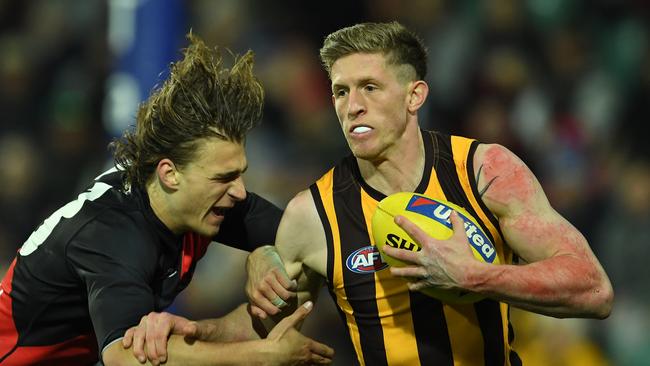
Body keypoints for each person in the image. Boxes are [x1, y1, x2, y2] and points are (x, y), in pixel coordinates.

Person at [128, 22, 614, 365]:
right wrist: (192, 331)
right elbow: (264, 324)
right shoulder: (312, 214)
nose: (352, 107)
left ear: (414, 96)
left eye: (369, 88)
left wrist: (478, 276)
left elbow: (593, 289)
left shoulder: (483, 171)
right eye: (340, 92)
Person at [0, 33, 333, 365]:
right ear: (169, 174)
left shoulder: (197, 197)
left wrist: (263, 253)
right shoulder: (113, 237)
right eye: (224, 177)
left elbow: (310, 236)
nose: (241, 192)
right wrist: (260, 357)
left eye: (240, 173)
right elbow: (125, 359)